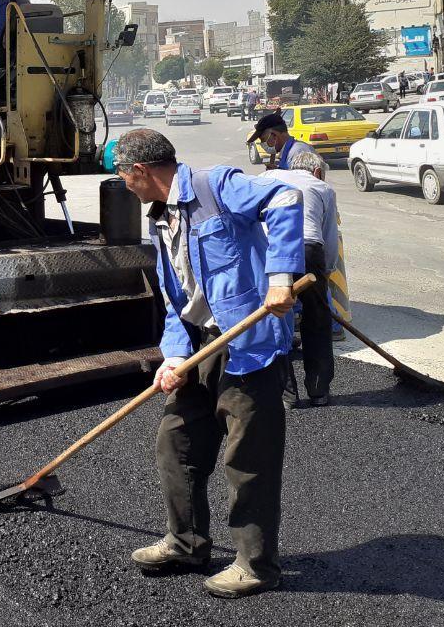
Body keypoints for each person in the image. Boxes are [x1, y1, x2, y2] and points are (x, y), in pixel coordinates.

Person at [114, 128, 304, 599]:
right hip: (200, 345)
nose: (124, 185)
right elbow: (176, 299)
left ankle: (256, 565)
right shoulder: (160, 220)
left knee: (248, 460)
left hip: (248, 345)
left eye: (123, 175)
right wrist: (175, 356)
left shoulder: (214, 186)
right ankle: (186, 543)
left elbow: (286, 197)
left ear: (139, 170)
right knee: (175, 441)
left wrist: (280, 276)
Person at [262, 150, 338, 408]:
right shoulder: (322, 187)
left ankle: (287, 395)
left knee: (277, 316)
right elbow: (329, 236)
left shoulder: (271, 176)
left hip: (273, 249)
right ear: (317, 171)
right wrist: (325, 272)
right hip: (309, 249)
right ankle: (319, 391)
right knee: (317, 319)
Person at [248, 112, 314, 170]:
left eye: (263, 139)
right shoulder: (287, 151)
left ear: (274, 136)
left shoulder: (298, 152)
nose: (262, 144)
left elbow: (303, 179)